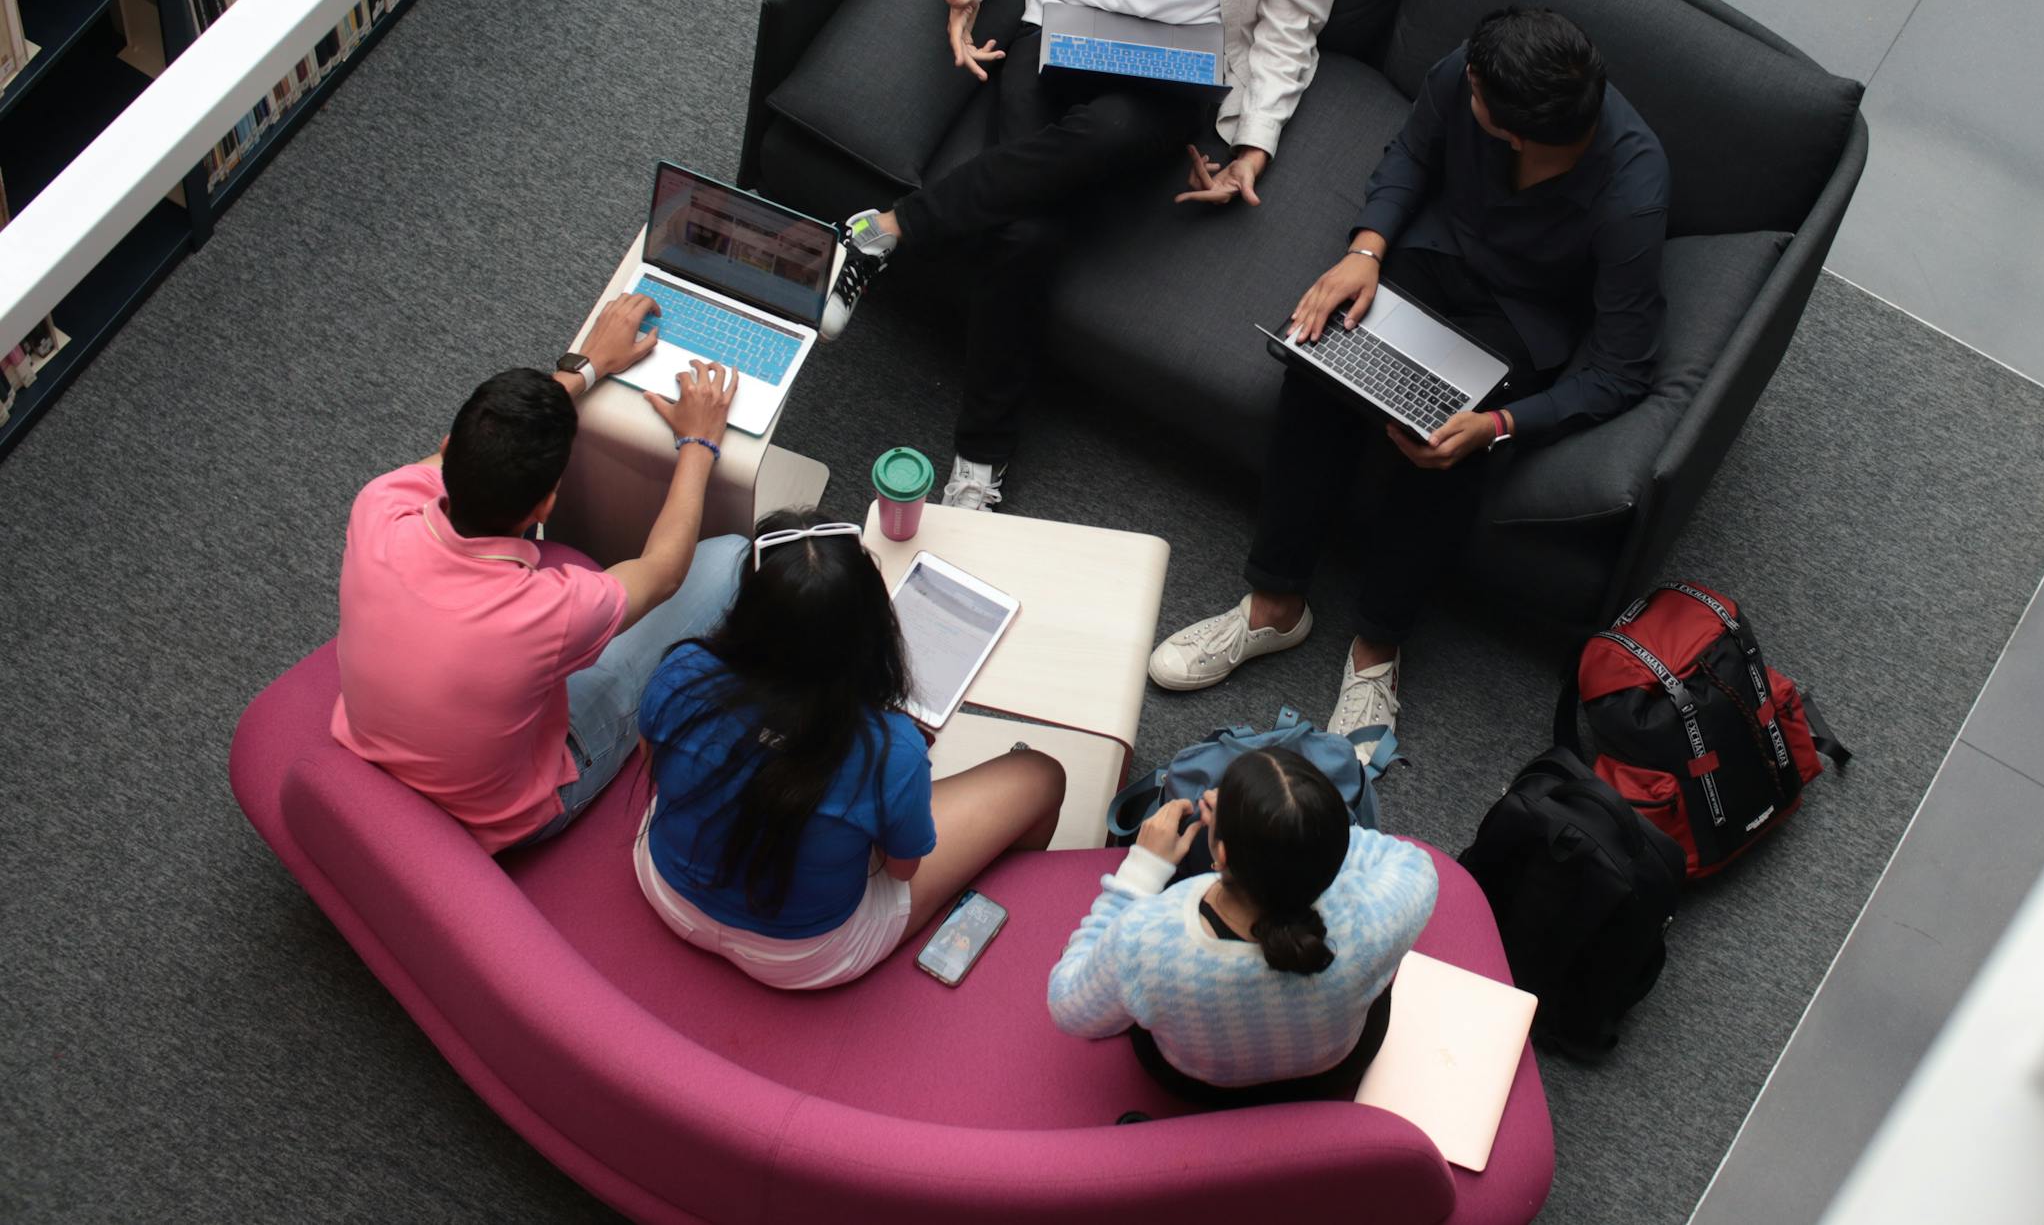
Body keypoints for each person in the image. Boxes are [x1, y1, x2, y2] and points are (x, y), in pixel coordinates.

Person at [819, 0, 1348, 514]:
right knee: (1027, 228)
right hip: (1063, 15)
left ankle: (889, 230)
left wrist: (1253, 145)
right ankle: (979, 467)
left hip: (1182, 66)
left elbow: (1291, 26)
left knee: (1108, 130)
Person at [1147, 8, 1670, 749]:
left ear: (1515, 133)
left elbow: (1624, 367)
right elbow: (1411, 156)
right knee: (1318, 359)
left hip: (1519, 318)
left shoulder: (1633, 190)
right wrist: (1365, 248)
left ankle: (1377, 651)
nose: (1465, 83)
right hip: (1427, 256)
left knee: (1445, 449)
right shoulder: (1473, 67)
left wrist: (1501, 425)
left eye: (1478, 94)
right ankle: (1275, 604)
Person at [332, 294, 746, 851]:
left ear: (448, 448)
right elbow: (663, 572)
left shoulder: (380, 503)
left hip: (378, 747)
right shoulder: (551, 611)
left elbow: (482, 455)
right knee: (730, 559)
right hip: (505, 815)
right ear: (546, 505)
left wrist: (588, 366)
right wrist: (699, 443)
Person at [633, 510, 1066, 989]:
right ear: (872, 633)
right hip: (802, 956)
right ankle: (1019, 914)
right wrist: (893, 785)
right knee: (1042, 775)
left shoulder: (682, 670)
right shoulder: (891, 748)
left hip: (666, 891)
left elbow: (655, 769)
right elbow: (902, 870)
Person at [1048, 748, 1435, 1103]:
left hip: (1200, 1084)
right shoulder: (1375, 919)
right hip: (1332, 1070)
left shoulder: (1148, 938)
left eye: (1223, 795)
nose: (1212, 796)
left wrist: (1142, 869)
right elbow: (1411, 863)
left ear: (1221, 852)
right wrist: (1298, 835)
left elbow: (1068, 1006)